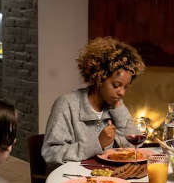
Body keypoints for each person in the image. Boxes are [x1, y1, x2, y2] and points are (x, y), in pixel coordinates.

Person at [42, 37, 145, 165]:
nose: (122, 92)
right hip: (75, 180)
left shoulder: (114, 105)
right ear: (99, 77)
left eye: (125, 87)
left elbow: (134, 146)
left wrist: (118, 107)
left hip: (110, 180)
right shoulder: (67, 104)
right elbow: (50, 153)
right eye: (116, 85)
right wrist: (97, 144)